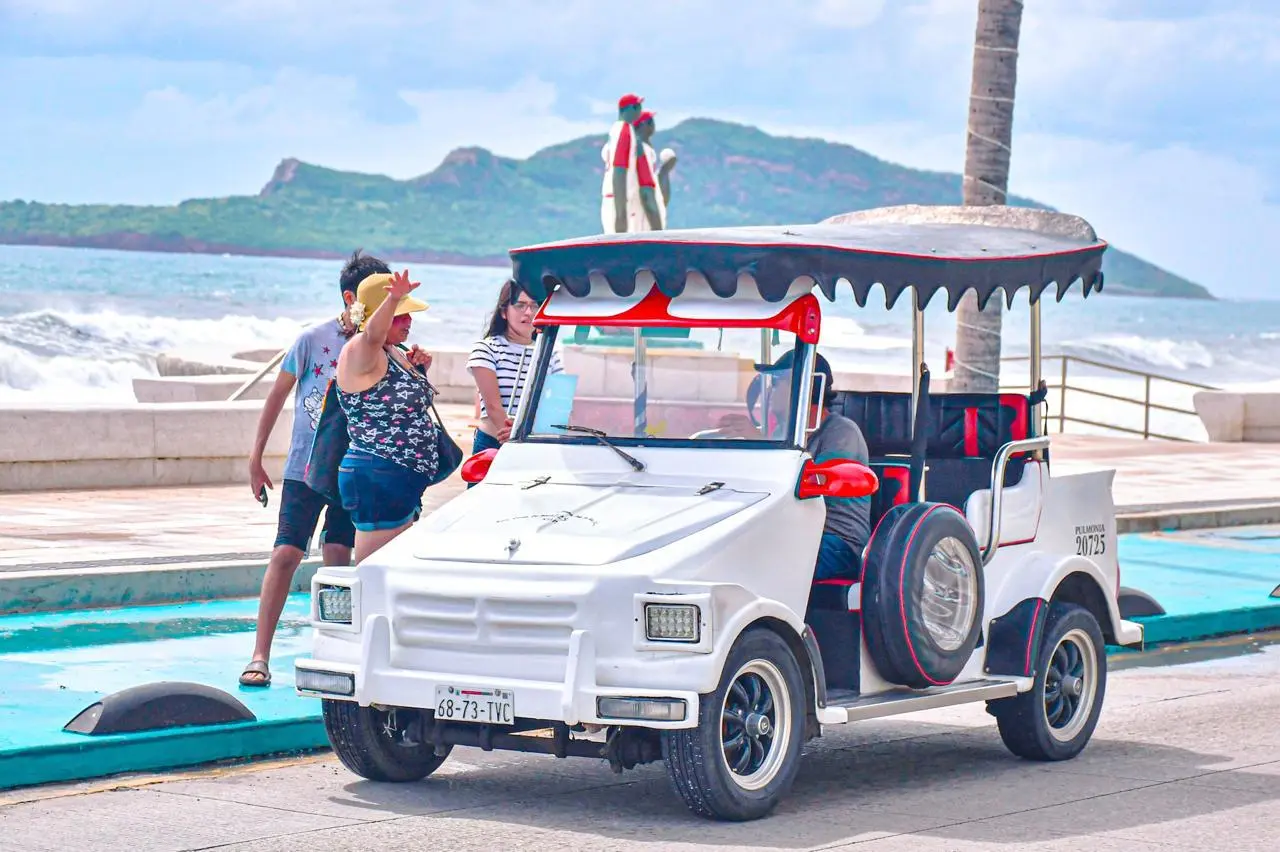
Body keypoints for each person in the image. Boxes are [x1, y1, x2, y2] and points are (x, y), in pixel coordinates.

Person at [240, 249, 383, 687]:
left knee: (340, 557)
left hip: (350, 469)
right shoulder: (311, 340)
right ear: (350, 298)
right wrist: (256, 457)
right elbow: (277, 396)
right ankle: (260, 654)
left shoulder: (383, 347)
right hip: (304, 469)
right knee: (286, 553)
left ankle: (338, 651)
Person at [719, 350, 870, 580]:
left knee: (761, 560)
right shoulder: (783, 436)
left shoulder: (843, 432)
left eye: (777, 383)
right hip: (794, 533)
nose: (770, 391)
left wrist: (761, 443)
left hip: (837, 542)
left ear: (803, 388)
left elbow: (808, 487)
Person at [335, 269, 438, 564]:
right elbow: (370, 334)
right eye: (399, 314)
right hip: (378, 473)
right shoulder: (361, 348)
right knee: (375, 572)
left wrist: (420, 369)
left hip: (399, 477)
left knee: (396, 569)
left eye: (408, 314)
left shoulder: (392, 351)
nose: (409, 321)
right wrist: (393, 298)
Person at [465, 280, 562, 475]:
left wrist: (533, 436)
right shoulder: (486, 349)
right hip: (493, 444)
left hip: (535, 444)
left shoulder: (550, 353)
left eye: (535, 305)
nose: (528, 312)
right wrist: (515, 435)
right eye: (520, 305)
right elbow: (493, 406)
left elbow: (557, 403)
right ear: (503, 312)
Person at [600, 93, 661, 233]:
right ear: (628, 109)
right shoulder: (624, 130)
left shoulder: (614, 131)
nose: (640, 110)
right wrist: (621, 216)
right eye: (637, 106)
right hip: (619, 200)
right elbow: (619, 171)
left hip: (611, 199)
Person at [633, 110, 676, 230]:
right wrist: (664, 171)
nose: (653, 124)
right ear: (642, 125)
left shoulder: (645, 149)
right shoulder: (640, 149)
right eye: (650, 121)